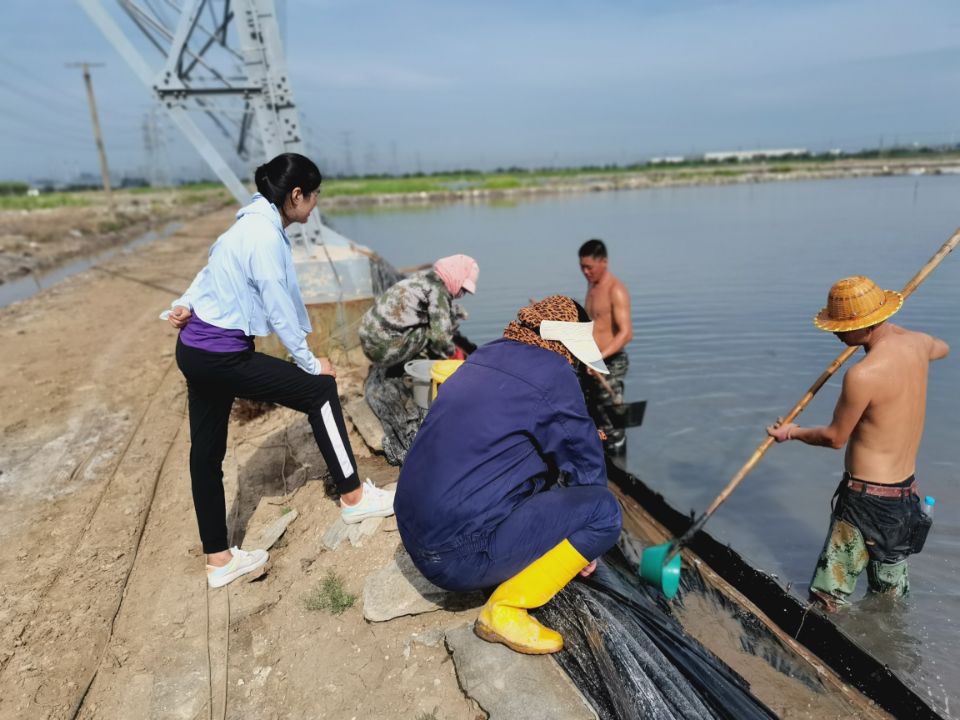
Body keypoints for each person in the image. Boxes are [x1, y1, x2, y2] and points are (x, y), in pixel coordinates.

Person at [165, 153, 395, 589]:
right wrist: (310, 363)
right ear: (296, 195)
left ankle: (219, 560)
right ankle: (354, 496)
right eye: (315, 195)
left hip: (194, 350)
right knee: (319, 390)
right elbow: (278, 308)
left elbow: (210, 270)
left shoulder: (247, 223)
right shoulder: (264, 236)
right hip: (221, 355)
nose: (316, 204)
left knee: (205, 454)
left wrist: (185, 303)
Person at [395, 296, 623, 654]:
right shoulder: (554, 372)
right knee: (605, 512)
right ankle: (505, 609)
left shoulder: (488, 353)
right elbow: (585, 461)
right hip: (454, 558)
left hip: (413, 530)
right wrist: (584, 541)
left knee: (537, 460)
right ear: (567, 344)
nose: (575, 366)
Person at [767, 276, 949, 610]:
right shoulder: (920, 344)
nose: (836, 335)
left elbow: (835, 438)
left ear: (864, 326)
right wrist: (897, 332)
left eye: (842, 328)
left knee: (827, 597)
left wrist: (791, 432)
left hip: (865, 501)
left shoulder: (863, 374)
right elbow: (943, 347)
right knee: (890, 598)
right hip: (905, 497)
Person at [358, 254, 479, 369]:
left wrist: (454, 310)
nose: (462, 294)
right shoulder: (439, 292)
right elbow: (440, 337)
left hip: (368, 338)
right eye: (463, 289)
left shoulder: (424, 277)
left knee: (439, 320)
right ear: (456, 277)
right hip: (381, 350)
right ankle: (417, 359)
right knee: (436, 330)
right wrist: (453, 353)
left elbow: (433, 304)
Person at [578, 239, 633, 453]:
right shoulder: (592, 286)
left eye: (589, 267)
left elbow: (626, 333)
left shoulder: (615, 290)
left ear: (604, 262)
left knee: (612, 423)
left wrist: (600, 357)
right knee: (591, 415)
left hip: (610, 361)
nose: (585, 272)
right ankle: (599, 461)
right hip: (591, 362)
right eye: (582, 267)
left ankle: (619, 464)